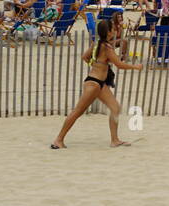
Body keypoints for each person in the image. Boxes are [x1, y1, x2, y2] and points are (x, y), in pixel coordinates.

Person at [50, 19, 143, 149]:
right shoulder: (107, 48)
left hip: (99, 84)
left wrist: (95, 64)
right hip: (93, 84)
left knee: (115, 107)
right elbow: (119, 65)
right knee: (77, 111)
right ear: (109, 32)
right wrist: (136, 67)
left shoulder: (98, 44)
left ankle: (115, 140)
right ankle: (58, 140)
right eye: (113, 29)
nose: (115, 30)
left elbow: (85, 57)